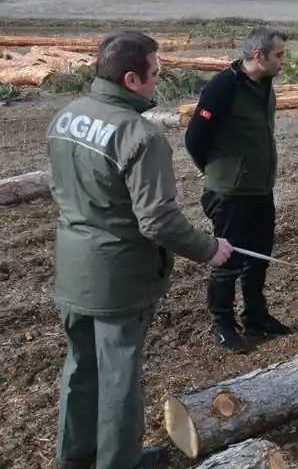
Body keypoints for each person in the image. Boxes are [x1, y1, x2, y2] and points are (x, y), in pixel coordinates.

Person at [46, 31, 233, 469]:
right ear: (132, 79)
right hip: (117, 277)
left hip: (72, 267)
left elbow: (60, 188)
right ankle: (120, 462)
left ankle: (75, 454)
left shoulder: (66, 116)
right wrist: (210, 248)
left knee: (80, 365)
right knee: (118, 380)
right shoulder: (139, 135)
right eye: (155, 71)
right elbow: (158, 220)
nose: (159, 78)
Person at [184, 27, 292, 353]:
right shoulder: (223, 87)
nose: (283, 61)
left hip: (259, 188)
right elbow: (195, 138)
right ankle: (222, 324)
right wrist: (214, 169)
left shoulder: (265, 85)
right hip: (229, 192)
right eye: (279, 55)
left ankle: (256, 316)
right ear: (259, 55)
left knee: (259, 256)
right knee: (228, 260)